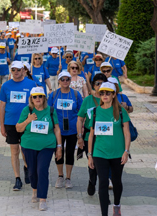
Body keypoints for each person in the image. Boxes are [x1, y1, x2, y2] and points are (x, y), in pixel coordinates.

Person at [87, 82, 131, 216]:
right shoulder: (95, 112)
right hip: (99, 152)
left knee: (117, 182)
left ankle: (116, 204)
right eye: (102, 93)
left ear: (113, 95)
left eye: (108, 93)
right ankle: (104, 213)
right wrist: (89, 155)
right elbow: (91, 134)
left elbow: (127, 133)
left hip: (118, 153)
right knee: (103, 183)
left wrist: (126, 151)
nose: (104, 95)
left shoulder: (121, 111)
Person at [16, 87, 62, 211]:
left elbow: (57, 129)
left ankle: (43, 198)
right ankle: (35, 190)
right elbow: (18, 128)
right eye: (35, 97)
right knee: (32, 171)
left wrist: (59, 147)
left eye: (40, 96)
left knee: (42, 169)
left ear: (44, 98)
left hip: (47, 146)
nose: (38, 99)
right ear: (31, 98)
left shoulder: (51, 111)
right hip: (29, 145)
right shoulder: (27, 110)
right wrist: (28, 120)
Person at [0, 61, 38, 191]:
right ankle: (17, 179)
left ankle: (27, 168)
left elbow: (37, 104)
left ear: (23, 70)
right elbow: (2, 106)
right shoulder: (5, 86)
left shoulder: (31, 84)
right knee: (14, 151)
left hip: (27, 123)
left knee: (26, 150)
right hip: (11, 123)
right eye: (13, 70)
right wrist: (2, 125)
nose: (16, 72)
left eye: (18, 70)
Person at [47, 71, 83, 189]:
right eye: (63, 79)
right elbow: (48, 111)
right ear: (59, 81)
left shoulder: (76, 94)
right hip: (58, 129)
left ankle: (68, 177)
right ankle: (60, 176)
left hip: (72, 129)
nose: (65, 82)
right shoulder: (54, 95)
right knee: (58, 152)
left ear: (70, 81)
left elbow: (81, 113)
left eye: (67, 79)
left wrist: (80, 131)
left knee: (70, 154)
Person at [77, 73, 108, 196]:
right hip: (89, 137)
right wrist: (79, 137)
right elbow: (80, 119)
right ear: (93, 85)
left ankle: (103, 188)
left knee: (103, 163)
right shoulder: (88, 100)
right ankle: (92, 180)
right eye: (97, 83)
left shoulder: (110, 99)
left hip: (106, 137)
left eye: (102, 83)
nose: (100, 86)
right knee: (92, 161)